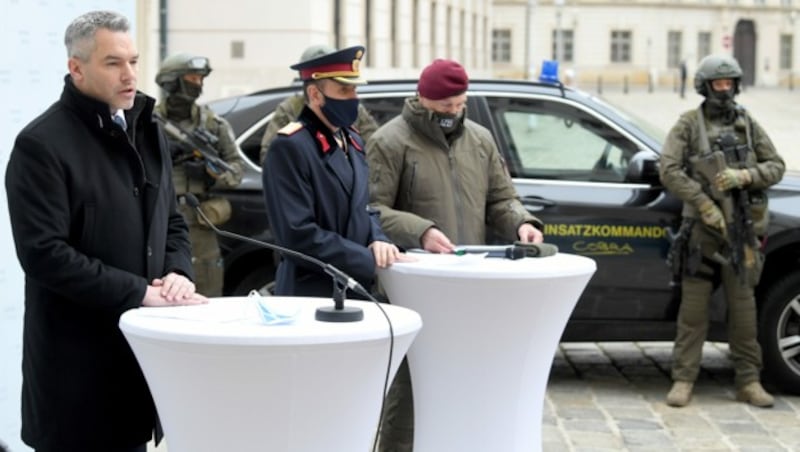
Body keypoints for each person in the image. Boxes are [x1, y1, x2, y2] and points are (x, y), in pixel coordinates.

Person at [5, 10, 206, 452]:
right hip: (76, 381)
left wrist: (178, 272)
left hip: (138, 368)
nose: (130, 74)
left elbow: (170, 219)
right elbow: (44, 254)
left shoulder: (148, 130)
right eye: (113, 63)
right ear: (76, 68)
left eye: (133, 61)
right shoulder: (40, 145)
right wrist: (140, 292)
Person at [366, 58, 545, 451]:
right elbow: (372, 210)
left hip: (472, 287)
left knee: (470, 381)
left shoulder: (479, 139)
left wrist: (520, 222)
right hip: (416, 286)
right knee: (412, 387)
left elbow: (501, 198)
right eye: (446, 106)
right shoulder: (390, 141)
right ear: (424, 99)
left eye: (460, 105)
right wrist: (421, 229)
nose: (454, 113)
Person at [659, 54, 785, 408]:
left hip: (741, 229)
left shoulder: (748, 124)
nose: (725, 89)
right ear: (705, 85)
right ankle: (683, 378)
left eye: (730, 83)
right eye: (719, 83)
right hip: (702, 230)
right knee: (693, 312)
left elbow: (775, 165)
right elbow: (668, 169)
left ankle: (749, 379)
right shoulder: (688, 124)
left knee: (743, 310)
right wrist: (703, 204)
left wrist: (745, 176)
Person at [262, 45, 407, 298]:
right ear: (315, 94)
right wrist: (365, 258)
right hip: (313, 293)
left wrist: (378, 238)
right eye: (343, 90)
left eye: (354, 89)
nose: (353, 98)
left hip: (355, 288)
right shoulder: (290, 147)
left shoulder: (351, 139)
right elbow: (297, 235)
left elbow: (364, 206)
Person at [155, 53, 245, 296]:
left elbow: (236, 171)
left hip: (200, 221)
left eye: (200, 78)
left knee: (207, 292)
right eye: (192, 78)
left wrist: (211, 172)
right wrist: (162, 156)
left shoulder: (213, 125)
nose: (199, 84)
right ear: (173, 81)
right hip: (157, 218)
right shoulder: (149, 124)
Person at [258, 44, 378, 165]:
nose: (352, 96)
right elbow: (270, 156)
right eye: (343, 90)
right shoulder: (290, 109)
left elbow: (374, 148)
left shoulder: (353, 109)